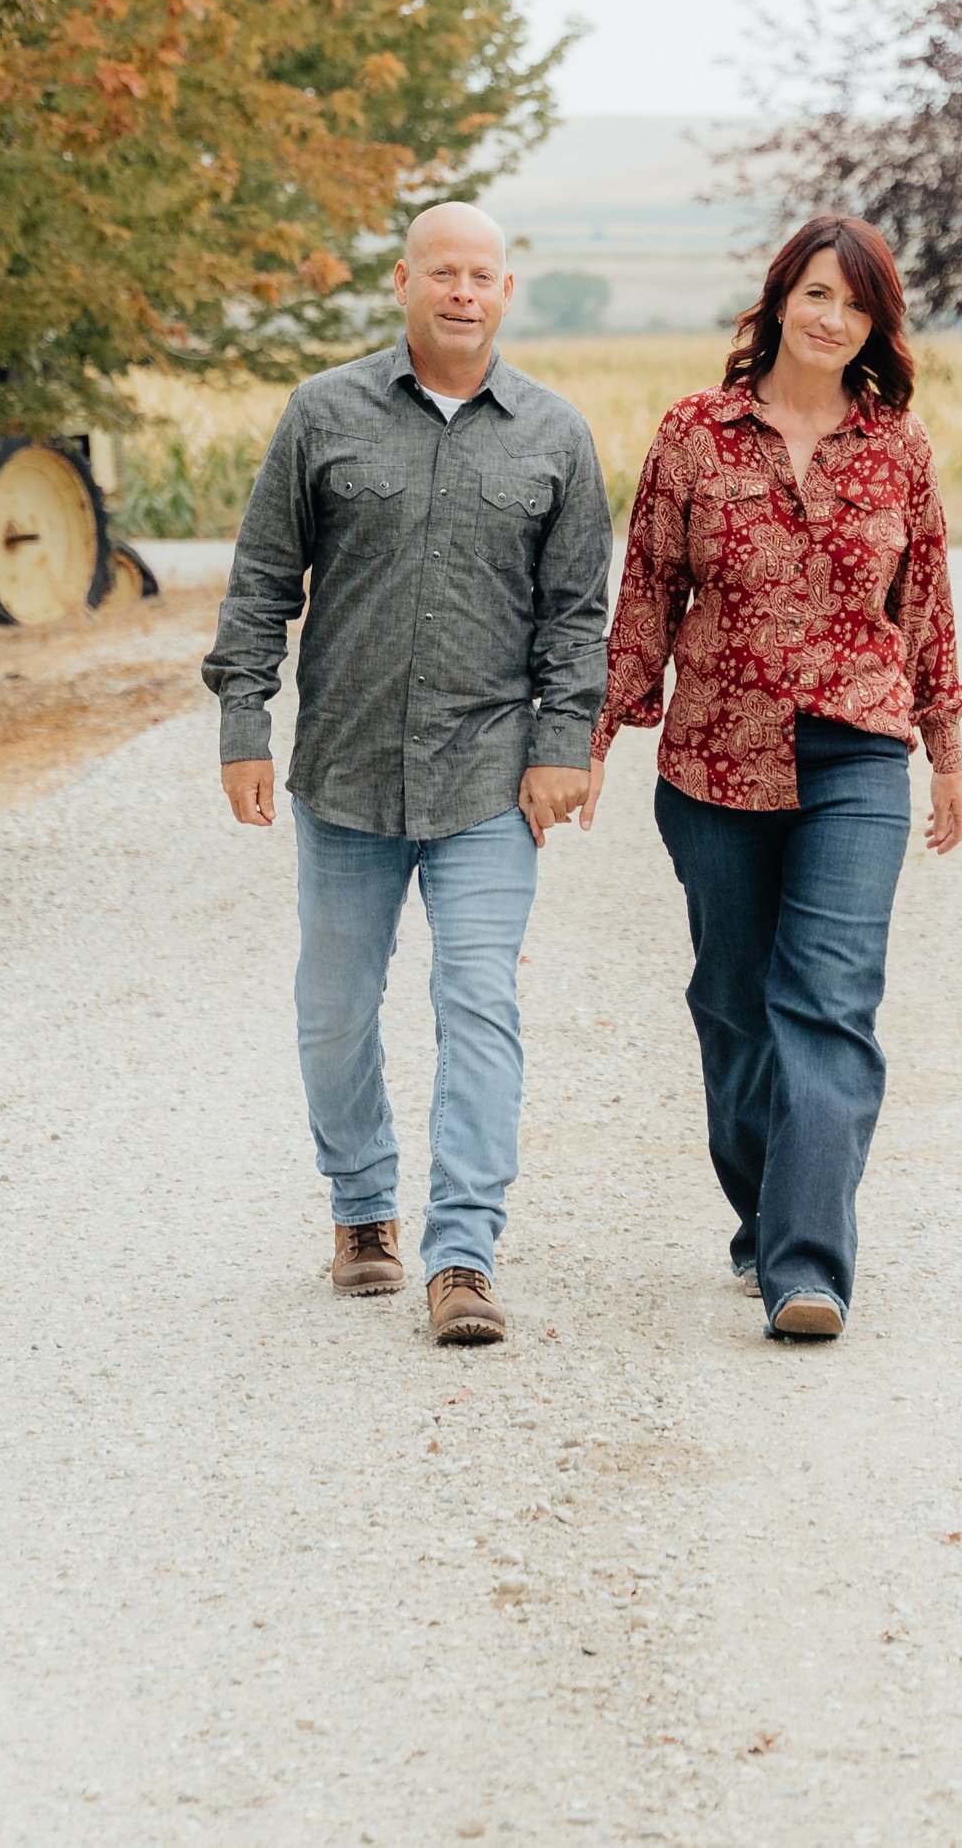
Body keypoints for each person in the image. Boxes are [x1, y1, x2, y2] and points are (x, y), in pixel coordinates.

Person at [204, 204, 612, 1346]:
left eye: (483, 275)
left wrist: (560, 745)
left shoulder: (554, 435)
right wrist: (244, 721)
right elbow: (263, 579)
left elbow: (578, 617)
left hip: (488, 778)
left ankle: (464, 1256)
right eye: (443, 271)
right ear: (404, 282)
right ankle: (361, 1210)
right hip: (344, 774)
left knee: (478, 1001)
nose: (462, 293)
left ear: (505, 291)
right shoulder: (323, 413)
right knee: (334, 1010)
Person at [585, 214, 962, 1341]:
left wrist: (944, 753)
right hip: (714, 757)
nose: (828, 318)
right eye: (813, 294)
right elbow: (647, 589)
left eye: (851, 305)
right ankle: (766, 1213)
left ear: (872, 327)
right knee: (733, 1006)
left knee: (828, 1003)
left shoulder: (898, 445)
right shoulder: (697, 432)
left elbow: (928, 605)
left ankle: (807, 1266)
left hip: (856, 746)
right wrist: (596, 741)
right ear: (778, 301)